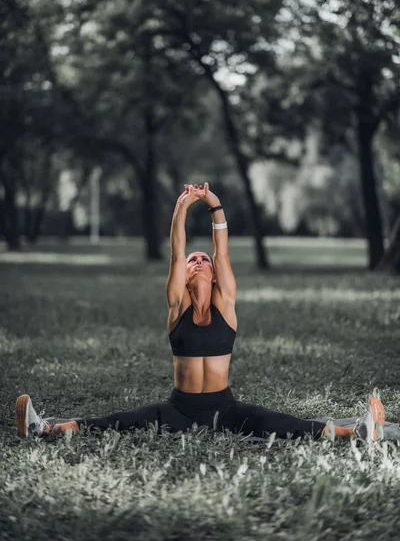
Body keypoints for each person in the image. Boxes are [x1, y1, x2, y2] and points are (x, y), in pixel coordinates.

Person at [16, 183, 385, 444]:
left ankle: (358, 432)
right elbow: (176, 253)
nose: (196, 260)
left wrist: (214, 204)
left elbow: (221, 252)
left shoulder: (226, 304)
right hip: (179, 408)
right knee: (118, 421)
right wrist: (181, 207)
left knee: (281, 422)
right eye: (192, 260)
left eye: (202, 258)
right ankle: (43, 428)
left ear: (211, 270)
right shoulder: (177, 306)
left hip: (225, 407)